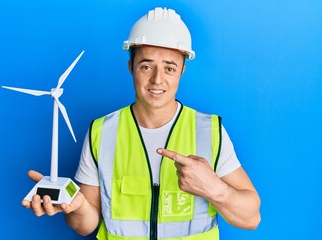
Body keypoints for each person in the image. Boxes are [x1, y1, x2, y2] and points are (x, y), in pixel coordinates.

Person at [22, 7, 261, 239]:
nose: (157, 79)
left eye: (169, 68)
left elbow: (251, 219)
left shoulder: (209, 131)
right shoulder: (102, 132)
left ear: (181, 72)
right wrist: (77, 207)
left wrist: (214, 189)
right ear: (131, 68)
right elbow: (85, 226)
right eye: (146, 66)